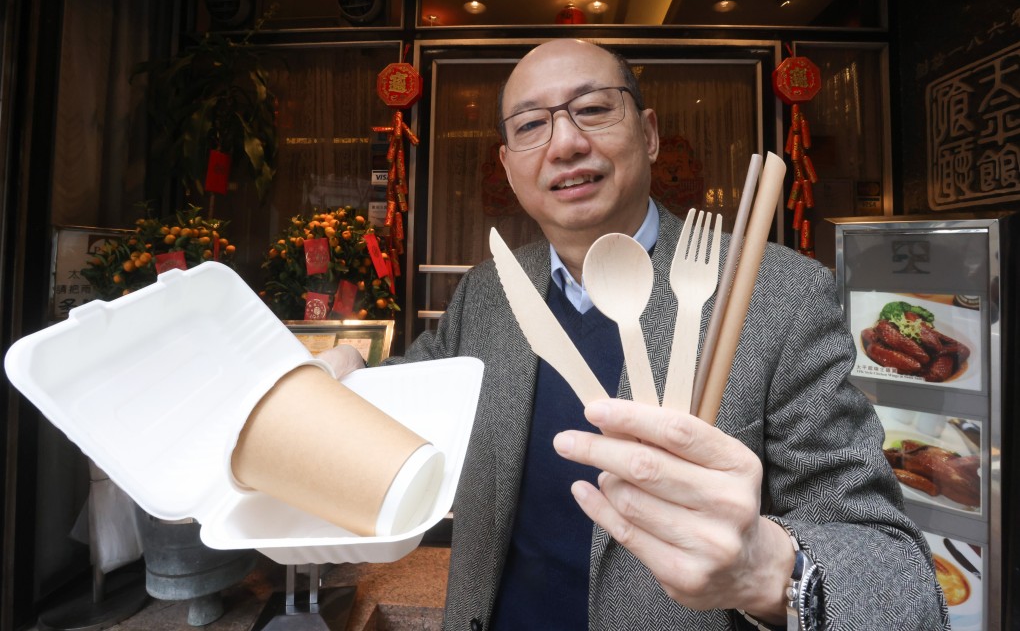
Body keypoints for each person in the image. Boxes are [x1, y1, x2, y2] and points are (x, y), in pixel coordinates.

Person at [323, 38, 948, 630]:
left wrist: (766, 568)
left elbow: (896, 571)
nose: (564, 143)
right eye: (530, 125)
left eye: (592, 109)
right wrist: (349, 376)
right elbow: (416, 396)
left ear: (648, 134)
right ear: (509, 166)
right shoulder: (489, 292)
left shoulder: (778, 295)